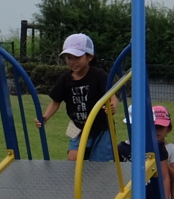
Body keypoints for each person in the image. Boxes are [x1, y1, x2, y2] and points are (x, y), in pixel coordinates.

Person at [36, 33, 117, 162]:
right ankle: (74, 176)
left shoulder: (99, 75)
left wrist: (112, 106)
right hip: (79, 127)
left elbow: (112, 96)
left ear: (89, 57)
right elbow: (55, 102)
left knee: (100, 164)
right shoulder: (65, 79)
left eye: (77, 58)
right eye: (69, 58)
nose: (72, 62)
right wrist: (45, 117)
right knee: (73, 158)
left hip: (102, 128)